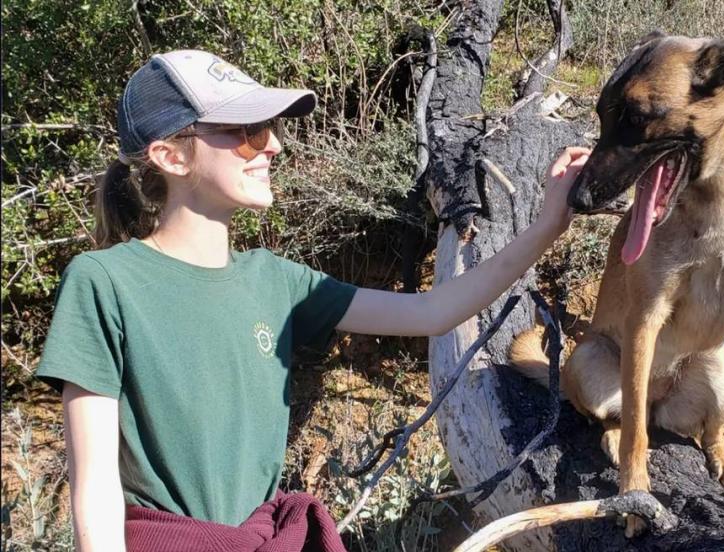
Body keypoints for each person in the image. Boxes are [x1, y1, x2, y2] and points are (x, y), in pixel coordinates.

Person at [36, 49, 590, 551]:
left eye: (271, 127)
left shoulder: (275, 281)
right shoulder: (104, 281)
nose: (273, 144)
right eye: (247, 131)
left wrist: (548, 223)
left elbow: (434, 311)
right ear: (171, 156)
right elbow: (96, 487)